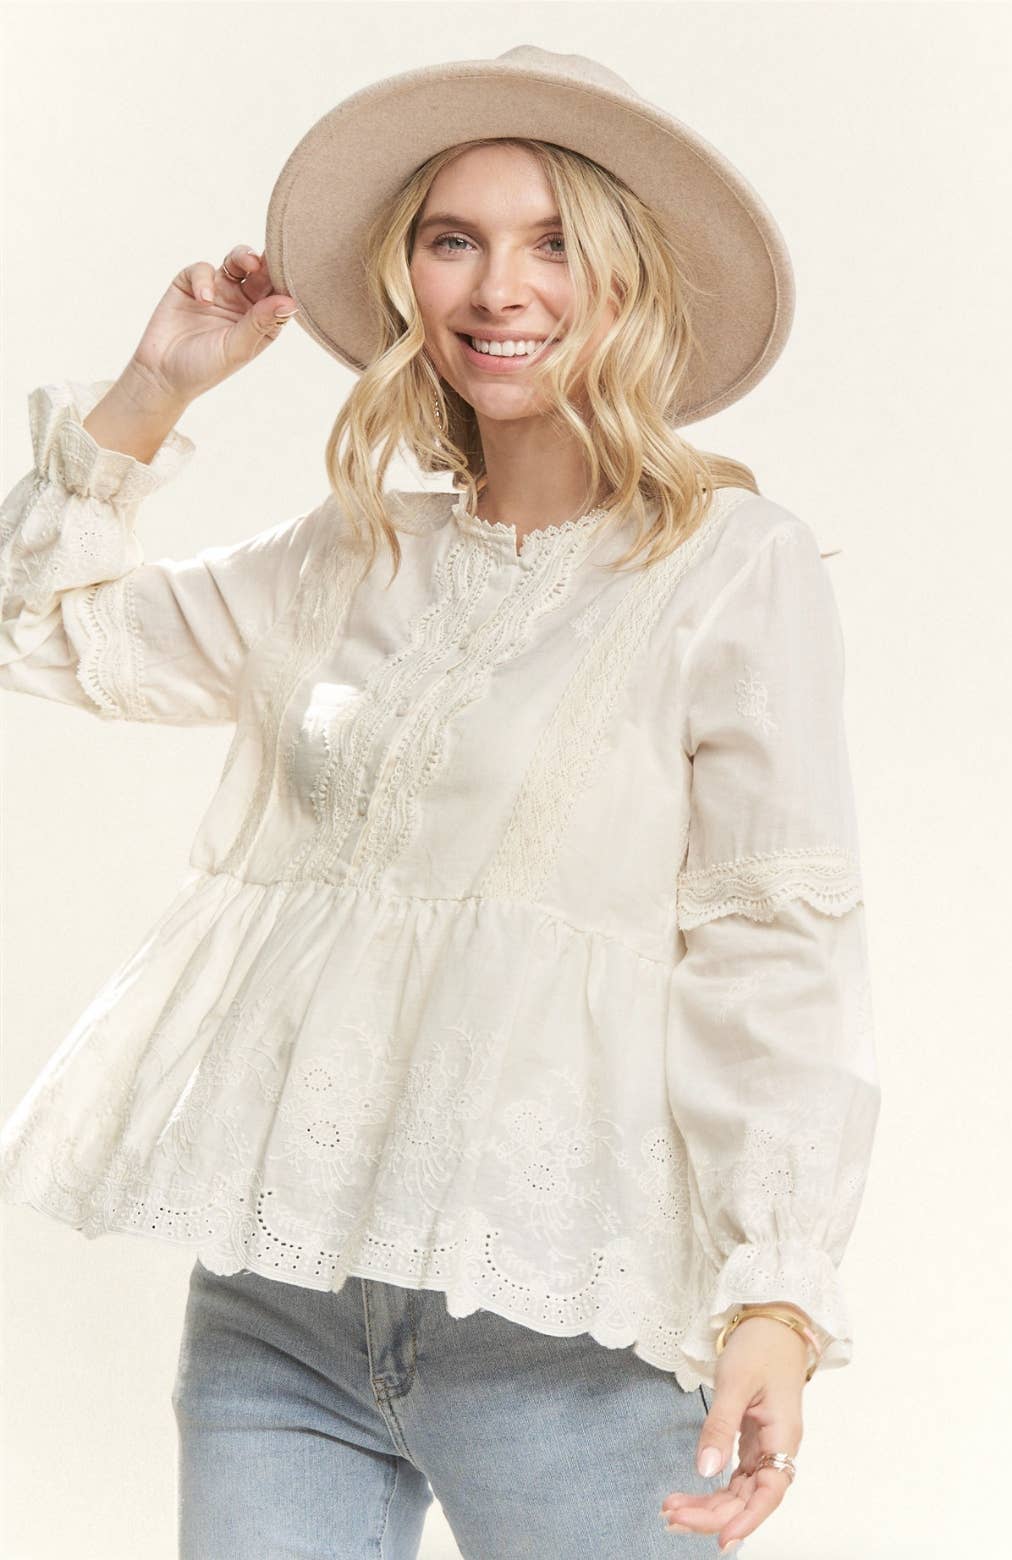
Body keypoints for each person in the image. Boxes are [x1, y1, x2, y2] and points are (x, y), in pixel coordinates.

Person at [0, 45, 881, 1560]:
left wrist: (778, 1293)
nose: (500, 288)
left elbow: (775, 942)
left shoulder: (734, 567)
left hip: (567, 1324)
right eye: (453, 239)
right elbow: (43, 630)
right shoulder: (347, 554)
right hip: (278, 1308)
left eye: (555, 244)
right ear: (408, 277)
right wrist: (156, 390)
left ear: (628, 281)